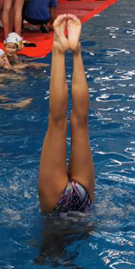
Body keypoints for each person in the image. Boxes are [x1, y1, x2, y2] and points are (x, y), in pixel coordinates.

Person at [38, 14, 94, 214]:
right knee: (59, 122)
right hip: (57, 201)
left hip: (82, 200)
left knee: (77, 122)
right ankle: (63, 50)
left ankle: (73, 52)